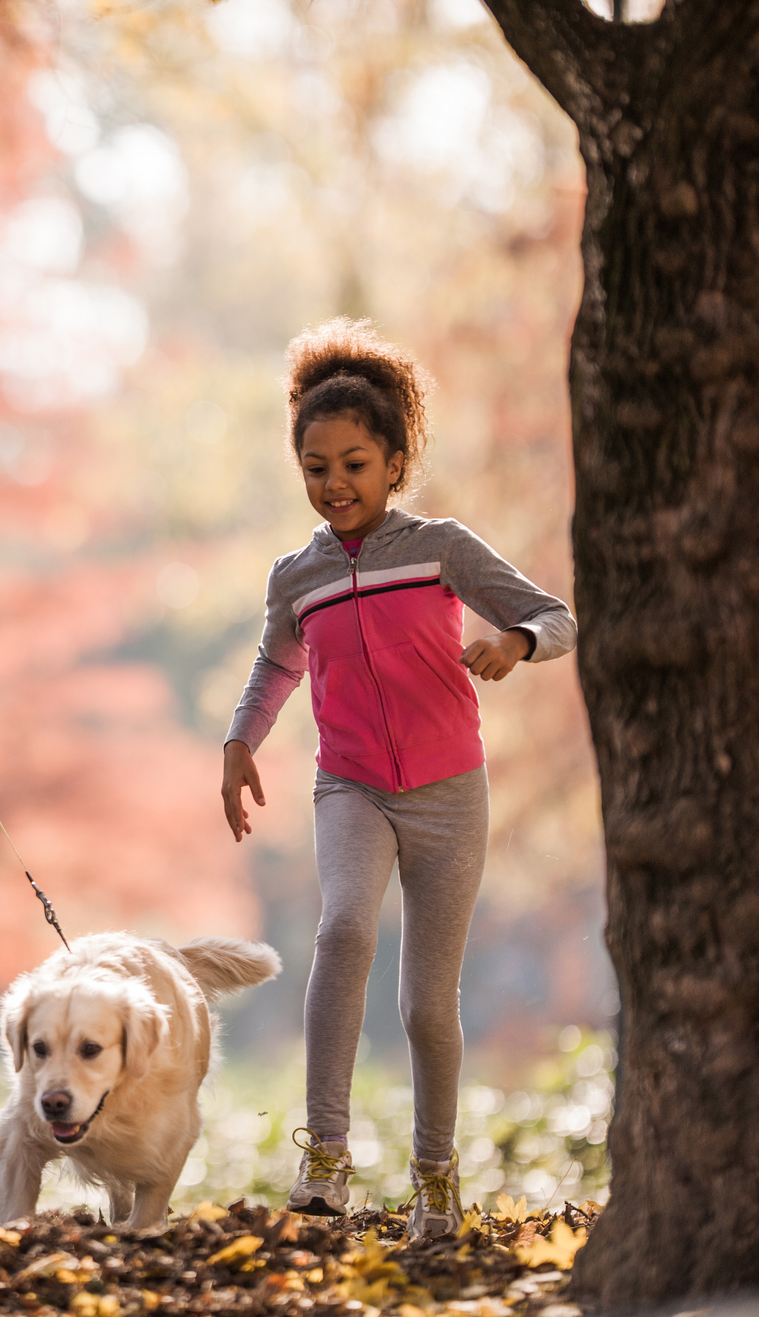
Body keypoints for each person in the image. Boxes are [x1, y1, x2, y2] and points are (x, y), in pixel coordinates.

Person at [219, 319, 575, 1241]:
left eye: (353, 464)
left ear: (393, 461)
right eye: (314, 467)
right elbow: (276, 667)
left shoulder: (441, 548)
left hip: (450, 792)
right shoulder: (296, 574)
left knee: (425, 1005)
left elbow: (554, 614)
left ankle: (434, 1176)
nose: (334, 484)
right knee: (340, 930)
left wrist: (513, 642)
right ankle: (327, 1158)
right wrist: (239, 742)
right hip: (351, 787)